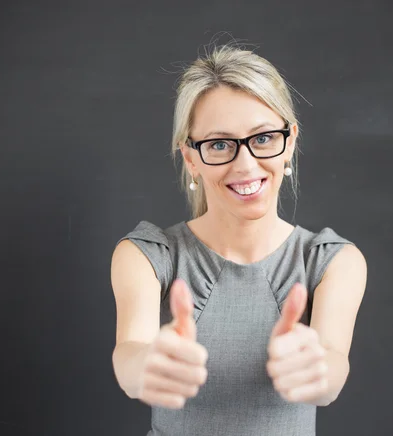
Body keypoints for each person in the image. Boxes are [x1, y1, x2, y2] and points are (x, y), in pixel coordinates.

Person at [110, 43, 367, 436]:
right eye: (219, 144)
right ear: (190, 157)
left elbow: (332, 374)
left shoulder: (334, 262)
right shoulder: (146, 256)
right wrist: (146, 365)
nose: (245, 165)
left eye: (263, 138)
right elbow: (129, 354)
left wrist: (314, 368)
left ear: (290, 142)